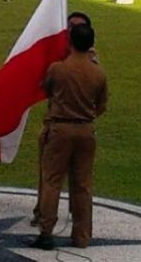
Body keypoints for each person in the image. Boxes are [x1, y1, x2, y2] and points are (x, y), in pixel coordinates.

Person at [32, 24, 108, 250]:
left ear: (70, 42)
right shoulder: (98, 72)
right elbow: (102, 106)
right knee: (82, 184)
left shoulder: (58, 69)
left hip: (60, 129)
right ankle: (82, 235)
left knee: (52, 181)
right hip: (85, 130)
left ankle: (46, 231)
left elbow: (45, 89)